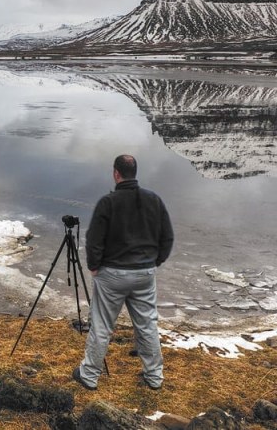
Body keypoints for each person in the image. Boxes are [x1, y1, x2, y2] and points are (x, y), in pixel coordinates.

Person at [72, 154, 174, 391]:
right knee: (147, 325)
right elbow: (167, 237)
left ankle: (88, 376)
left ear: (116, 173)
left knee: (101, 325)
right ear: (134, 173)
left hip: (112, 276)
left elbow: (94, 239)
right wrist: (154, 261)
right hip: (144, 274)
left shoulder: (108, 203)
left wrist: (94, 266)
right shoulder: (154, 200)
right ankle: (155, 378)